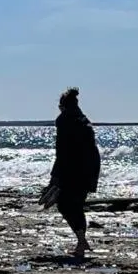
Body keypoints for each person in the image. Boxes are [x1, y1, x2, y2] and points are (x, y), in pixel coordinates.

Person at [49, 87, 101, 258]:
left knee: (64, 204)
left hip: (74, 169)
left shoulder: (64, 120)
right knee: (76, 204)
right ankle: (81, 242)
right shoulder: (83, 119)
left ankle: (81, 240)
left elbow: (62, 151)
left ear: (62, 106)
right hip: (90, 168)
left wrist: (55, 176)